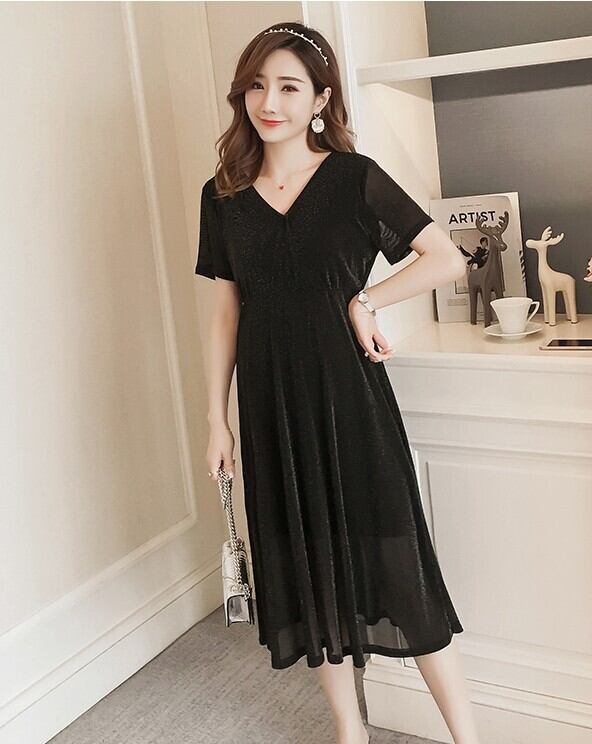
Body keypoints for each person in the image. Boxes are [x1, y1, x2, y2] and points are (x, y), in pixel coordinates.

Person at [195, 22, 479, 744]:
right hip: (270, 407)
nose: (270, 102)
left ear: (321, 100)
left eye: (289, 87)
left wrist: (366, 300)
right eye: (257, 85)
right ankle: (350, 731)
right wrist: (215, 419)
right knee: (309, 568)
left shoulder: (355, 179)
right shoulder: (222, 197)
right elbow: (226, 310)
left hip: (351, 401)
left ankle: (467, 736)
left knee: (400, 565)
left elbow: (445, 257)